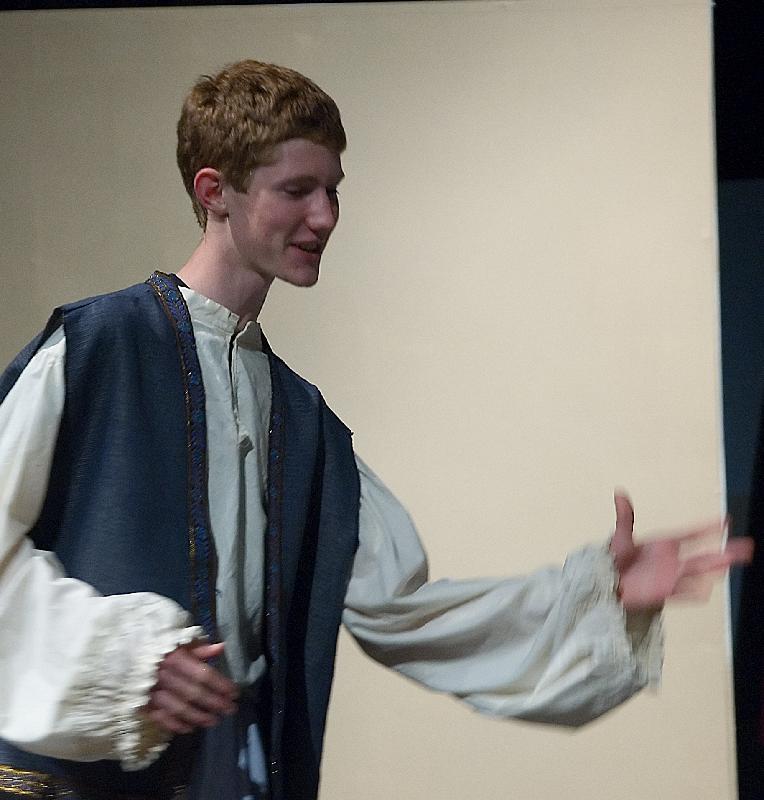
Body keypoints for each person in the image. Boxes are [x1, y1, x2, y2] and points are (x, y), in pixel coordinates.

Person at [0, 59, 752, 800]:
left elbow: (403, 612)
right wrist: (122, 662)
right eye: (297, 190)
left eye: (332, 190)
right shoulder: (99, 347)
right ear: (214, 191)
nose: (325, 216)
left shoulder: (303, 422)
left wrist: (599, 599)